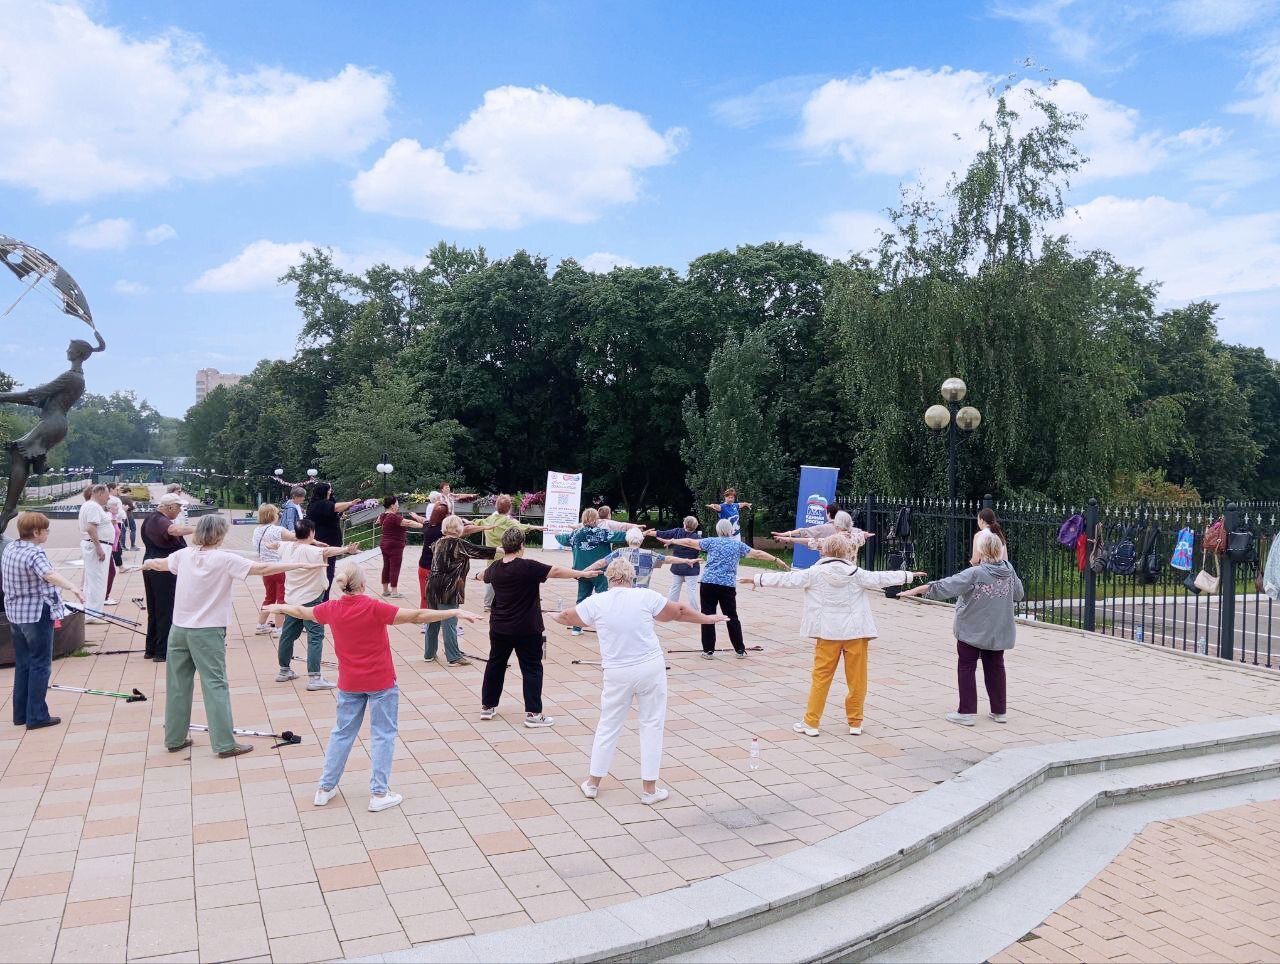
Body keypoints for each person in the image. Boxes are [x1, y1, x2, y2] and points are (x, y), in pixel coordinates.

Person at [268, 562, 482, 812]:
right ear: (362, 584)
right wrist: (453, 612)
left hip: (350, 683)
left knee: (341, 734)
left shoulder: (331, 608)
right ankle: (379, 793)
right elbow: (416, 616)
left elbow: (302, 611)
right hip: (381, 682)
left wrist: (279, 607)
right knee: (383, 735)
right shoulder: (373, 607)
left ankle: (324, 789)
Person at [555, 557, 729, 805]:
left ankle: (593, 783)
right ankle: (649, 789)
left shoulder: (597, 601)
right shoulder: (646, 596)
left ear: (609, 578)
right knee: (652, 724)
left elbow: (567, 616)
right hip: (649, 667)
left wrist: (553, 616)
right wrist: (707, 618)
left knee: (608, 725)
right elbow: (678, 612)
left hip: (616, 671)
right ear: (632, 577)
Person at [143, 514, 320, 757]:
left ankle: (174, 738)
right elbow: (262, 568)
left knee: (177, 685)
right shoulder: (223, 558)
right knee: (215, 685)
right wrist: (298, 564)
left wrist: (148, 562)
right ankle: (224, 744)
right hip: (207, 632)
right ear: (219, 535)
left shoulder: (183, 555)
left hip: (179, 631)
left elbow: (161, 564)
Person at [744, 534, 926, 736]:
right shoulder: (857, 573)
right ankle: (855, 723)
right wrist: (908, 575)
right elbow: (881, 578)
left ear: (824, 551)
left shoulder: (814, 572)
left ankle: (811, 723)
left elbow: (787, 580)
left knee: (821, 678)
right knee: (857, 680)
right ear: (846, 551)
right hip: (856, 634)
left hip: (827, 633)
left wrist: (758, 579)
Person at [899, 530, 1024, 726]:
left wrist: (916, 590)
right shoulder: (1009, 570)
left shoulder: (975, 573)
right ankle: (999, 711)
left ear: (981, 550)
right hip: (998, 629)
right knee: (996, 667)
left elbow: (947, 586)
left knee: (966, 666)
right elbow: (1018, 594)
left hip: (971, 628)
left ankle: (966, 712)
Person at [476, 527, 595, 727]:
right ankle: (533, 714)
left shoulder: (495, 568)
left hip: (499, 627)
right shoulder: (528, 566)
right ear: (521, 546)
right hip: (527, 628)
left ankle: (487, 706)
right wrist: (582, 573)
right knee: (532, 668)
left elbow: (482, 575)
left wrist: (476, 575)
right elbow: (556, 571)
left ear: (504, 546)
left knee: (495, 664)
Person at [660, 519, 788, 658]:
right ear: (731, 530)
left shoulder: (711, 541)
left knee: (707, 615)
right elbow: (757, 554)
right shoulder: (737, 545)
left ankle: (708, 651)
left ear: (718, 530)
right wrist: (776, 560)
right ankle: (739, 650)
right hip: (727, 585)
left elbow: (690, 542)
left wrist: (673, 540)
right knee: (732, 616)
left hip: (708, 583)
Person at [1, 512, 83, 730]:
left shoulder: (11, 547)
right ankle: (37, 716)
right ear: (36, 532)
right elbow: (48, 574)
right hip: (36, 615)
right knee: (40, 664)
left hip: (16, 614)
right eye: (46, 530)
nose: (48, 533)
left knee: (24, 663)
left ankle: (21, 714)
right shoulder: (34, 552)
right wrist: (72, 586)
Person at [276, 520, 359, 689]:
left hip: (291, 599)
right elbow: (328, 551)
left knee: (288, 635)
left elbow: (273, 544)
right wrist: (346, 549)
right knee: (315, 636)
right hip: (311, 600)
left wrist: (311, 542)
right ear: (312, 532)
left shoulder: (285, 547)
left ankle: (284, 670)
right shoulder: (312, 551)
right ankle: (315, 678)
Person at [425, 515, 496, 665]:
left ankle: (429, 653)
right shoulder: (457, 543)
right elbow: (478, 551)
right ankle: (454, 657)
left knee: (432, 620)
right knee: (450, 622)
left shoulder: (438, 542)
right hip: (448, 587)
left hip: (432, 585)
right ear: (459, 528)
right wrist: (501, 550)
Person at [556, 508, 629, 634]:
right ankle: (606, 628)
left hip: (581, 571)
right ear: (596, 519)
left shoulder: (575, 534)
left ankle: (576, 628)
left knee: (582, 598)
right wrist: (639, 533)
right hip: (600, 572)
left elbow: (562, 539)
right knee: (604, 598)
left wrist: (555, 533)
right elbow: (622, 536)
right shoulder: (601, 533)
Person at [141, 494, 194, 660]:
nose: (179, 511)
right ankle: (162, 651)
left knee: (155, 608)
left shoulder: (151, 518)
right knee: (165, 608)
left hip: (152, 563)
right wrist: (199, 529)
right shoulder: (161, 520)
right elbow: (173, 530)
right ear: (170, 506)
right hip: (163, 567)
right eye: (178, 507)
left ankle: (152, 648)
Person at [477, 495, 546, 610]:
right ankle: (511, 600)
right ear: (509, 508)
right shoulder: (508, 521)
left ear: (496, 506)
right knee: (510, 577)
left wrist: (467, 522)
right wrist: (535, 527)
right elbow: (521, 527)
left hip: (491, 555)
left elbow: (478, 522)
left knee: (490, 577)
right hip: (506, 555)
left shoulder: (489, 519)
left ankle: (488, 604)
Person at [306, 481, 358, 592]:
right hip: (325, 542)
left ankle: (322, 594)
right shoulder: (321, 504)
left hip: (321, 540)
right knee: (327, 571)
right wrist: (350, 503)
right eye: (329, 489)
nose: (331, 491)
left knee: (324, 570)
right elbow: (334, 507)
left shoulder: (314, 504)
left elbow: (333, 509)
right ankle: (323, 597)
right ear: (324, 491)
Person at [585, 527, 670, 588]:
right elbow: (668, 559)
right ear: (641, 540)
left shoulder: (619, 552)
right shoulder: (650, 554)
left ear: (627, 539)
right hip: (642, 594)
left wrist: (584, 571)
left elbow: (601, 563)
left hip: (624, 592)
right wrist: (682, 559)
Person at [252, 503, 290, 637]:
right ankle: (279, 629)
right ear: (272, 515)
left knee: (269, 597)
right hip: (279, 568)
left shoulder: (257, 530)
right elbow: (297, 537)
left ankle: (261, 625)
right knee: (281, 598)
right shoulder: (277, 530)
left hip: (265, 569)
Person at [77, 484, 113, 620]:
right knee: (98, 582)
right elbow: (91, 528)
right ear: (99, 493)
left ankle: (91, 612)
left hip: (94, 545)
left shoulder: (89, 505)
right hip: (97, 546)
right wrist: (98, 548)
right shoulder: (93, 506)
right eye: (107, 496)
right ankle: (94, 615)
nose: (108, 499)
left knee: (93, 581)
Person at [378, 496, 425, 598]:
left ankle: (385, 590)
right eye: (397, 504)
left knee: (386, 566)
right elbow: (408, 523)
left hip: (384, 544)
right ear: (392, 506)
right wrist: (424, 525)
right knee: (395, 567)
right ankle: (394, 592)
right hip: (394, 545)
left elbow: (380, 522)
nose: (398, 506)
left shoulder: (383, 515)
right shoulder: (393, 517)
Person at [656, 516, 702, 608]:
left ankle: (671, 609)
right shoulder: (698, 538)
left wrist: (649, 533)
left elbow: (663, 533)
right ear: (695, 526)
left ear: (684, 524)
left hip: (677, 566)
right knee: (691, 592)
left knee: (674, 589)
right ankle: (694, 611)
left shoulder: (677, 532)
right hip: (692, 568)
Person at [104, 493, 124, 605]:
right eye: (115, 505)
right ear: (108, 507)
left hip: (110, 549)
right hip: (106, 548)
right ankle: (104, 597)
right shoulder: (108, 516)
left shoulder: (113, 517)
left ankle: (104, 596)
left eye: (117, 505)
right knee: (110, 572)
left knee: (110, 572)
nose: (117, 507)